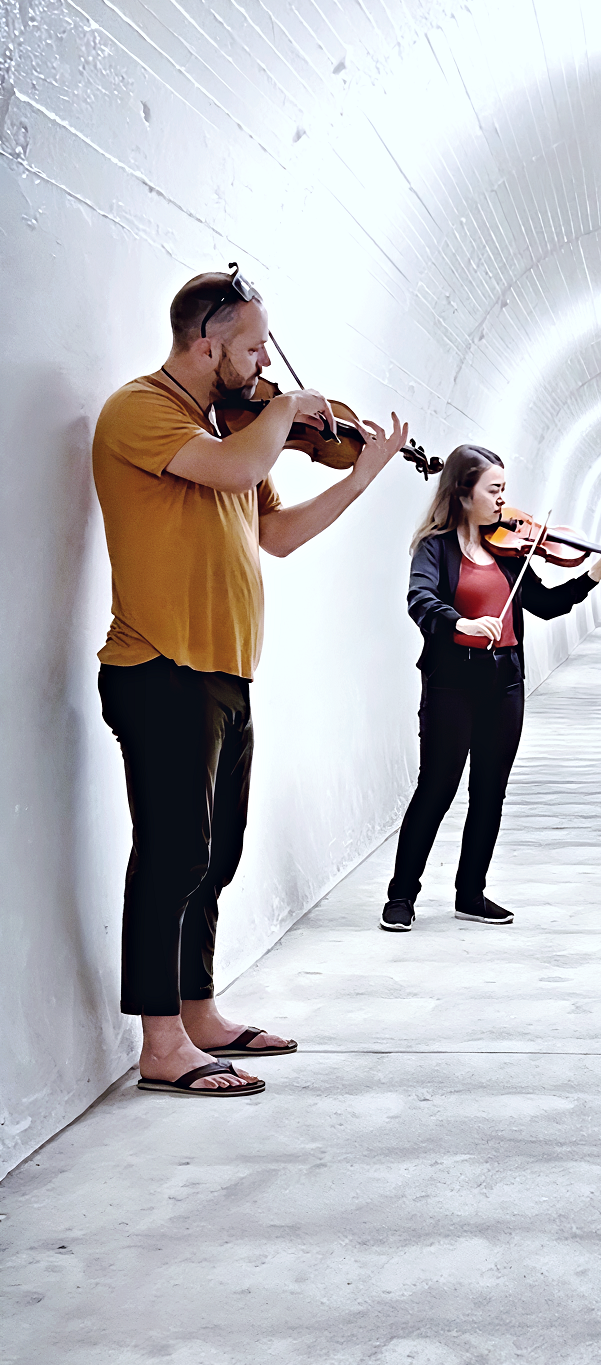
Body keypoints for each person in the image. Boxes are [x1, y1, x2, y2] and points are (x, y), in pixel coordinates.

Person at [94, 267, 409, 1098]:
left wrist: (358, 475)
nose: (266, 361)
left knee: (217, 854)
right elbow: (233, 470)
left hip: (226, 672)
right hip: (158, 666)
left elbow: (278, 532)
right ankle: (160, 1043)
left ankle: (198, 1011)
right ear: (207, 346)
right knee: (172, 855)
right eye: (254, 347)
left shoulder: (231, 427)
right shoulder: (142, 411)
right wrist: (288, 408)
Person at [380, 446, 601, 931]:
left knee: (489, 792)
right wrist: (462, 624)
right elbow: (420, 600)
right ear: (462, 492)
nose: (502, 501)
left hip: (505, 681)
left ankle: (471, 893)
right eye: (493, 490)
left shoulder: (509, 550)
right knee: (436, 788)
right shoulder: (435, 547)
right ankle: (401, 895)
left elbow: (546, 605)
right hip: (452, 682)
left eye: (504, 491)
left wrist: (594, 574)